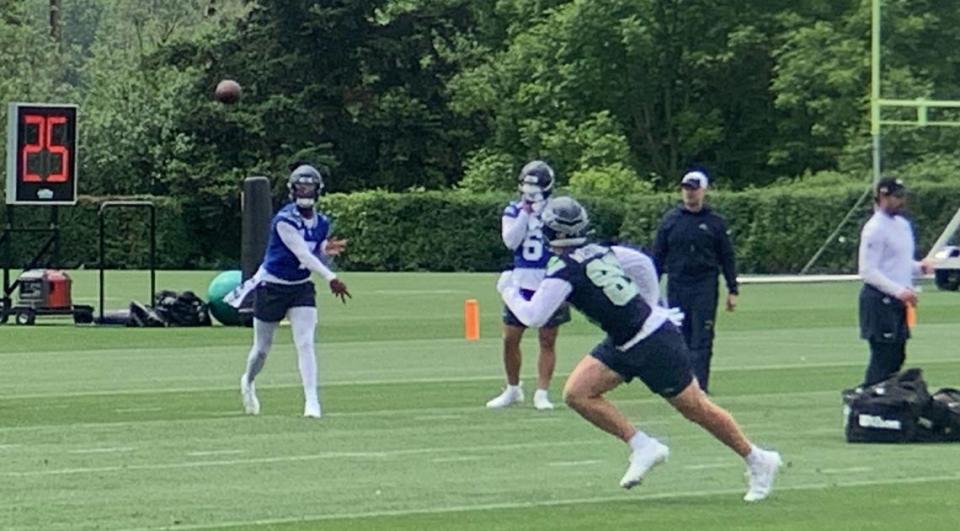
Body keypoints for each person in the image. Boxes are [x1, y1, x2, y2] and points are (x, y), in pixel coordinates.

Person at [497, 196, 781, 501]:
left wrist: (508, 290)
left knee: (695, 408)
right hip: (626, 338)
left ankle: (758, 459)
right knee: (578, 393)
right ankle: (643, 445)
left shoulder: (565, 269)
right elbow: (642, 263)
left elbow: (534, 316)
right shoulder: (601, 250)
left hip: (652, 341)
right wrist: (651, 303)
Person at [235, 164, 351, 418]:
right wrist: (331, 276)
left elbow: (313, 251)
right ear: (292, 190)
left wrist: (325, 251)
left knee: (306, 342)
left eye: (309, 186)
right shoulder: (284, 220)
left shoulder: (322, 222)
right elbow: (300, 252)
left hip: (300, 288)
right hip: (272, 286)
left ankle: (312, 401)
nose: (305, 190)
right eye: (301, 185)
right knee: (262, 349)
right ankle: (249, 380)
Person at [485, 160, 571, 410]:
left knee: (547, 339)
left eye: (534, 186)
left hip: (550, 278)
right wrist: (526, 211)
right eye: (526, 185)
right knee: (510, 338)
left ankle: (542, 392)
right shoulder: (513, 209)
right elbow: (511, 242)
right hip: (522, 279)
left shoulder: (556, 210)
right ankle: (513, 389)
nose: (530, 191)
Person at [652, 170, 738, 393]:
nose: (689, 194)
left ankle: (700, 385)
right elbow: (658, 257)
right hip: (678, 285)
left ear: (703, 190)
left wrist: (732, 288)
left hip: (705, 286)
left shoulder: (715, 222)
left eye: (694, 189)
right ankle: (683, 385)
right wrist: (651, 288)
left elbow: (727, 257)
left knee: (702, 336)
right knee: (680, 336)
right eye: (686, 189)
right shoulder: (671, 220)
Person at [858, 177, 933, 386]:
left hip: (899, 301)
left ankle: (885, 402)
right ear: (882, 197)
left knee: (896, 356)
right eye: (896, 197)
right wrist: (899, 291)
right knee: (883, 358)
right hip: (880, 301)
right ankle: (868, 401)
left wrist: (919, 267)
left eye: (902, 196)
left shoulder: (902, 225)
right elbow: (868, 270)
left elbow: (898, 262)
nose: (901, 201)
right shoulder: (874, 229)